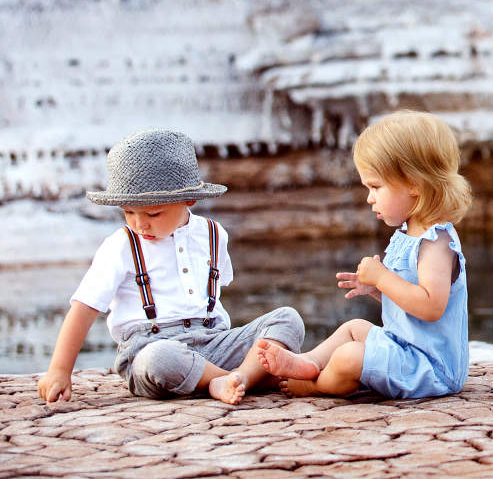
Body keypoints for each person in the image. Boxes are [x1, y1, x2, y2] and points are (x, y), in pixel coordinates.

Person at [36, 128, 305, 405]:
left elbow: (213, 293)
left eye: (153, 213)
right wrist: (59, 370)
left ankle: (241, 377)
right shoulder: (121, 245)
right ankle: (234, 377)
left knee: (287, 318)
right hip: (151, 348)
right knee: (160, 358)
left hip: (213, 341)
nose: (140, 224)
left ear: (189, 199)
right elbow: (84, 308)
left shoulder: (213, 235)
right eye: (129, 212)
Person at [256, 110, 473, 399]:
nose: (369, 197)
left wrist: (382, 278)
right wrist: (374, 289)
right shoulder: (410, 234)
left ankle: (316, 385)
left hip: (430, 368)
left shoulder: (436, 243)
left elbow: (431, 308)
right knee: (354, 328)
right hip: (406, 349)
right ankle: (309, 362)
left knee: (350, 357)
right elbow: (409, 306)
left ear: (414, 184)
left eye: (375, 187)